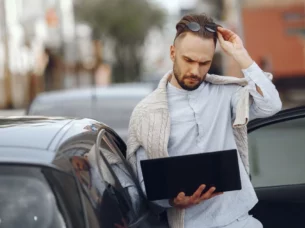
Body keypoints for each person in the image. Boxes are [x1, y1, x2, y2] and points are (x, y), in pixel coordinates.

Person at [126, 14, 282, 228]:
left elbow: (270, 105)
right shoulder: (146, 113)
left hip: (240, 221)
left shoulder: (226, 94)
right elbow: (144, 183)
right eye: (188, 60)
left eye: (204, 63)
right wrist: (172, 200)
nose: (195, 71)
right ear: (173, 53)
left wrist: (241, 55)